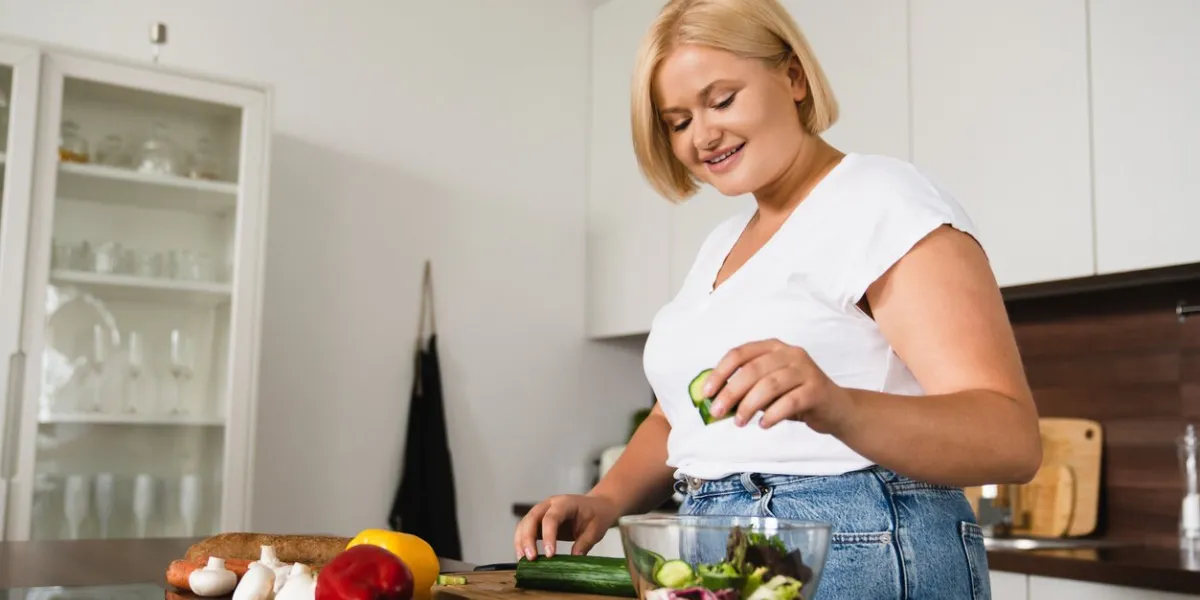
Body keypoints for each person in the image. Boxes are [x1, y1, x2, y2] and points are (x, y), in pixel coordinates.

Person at [515, 0, 1041, 597]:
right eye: (678, 122)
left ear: (793, 77)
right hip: (718, 546)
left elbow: (1010, 438)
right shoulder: (721, 245)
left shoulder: (884, 200)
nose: (702, 136)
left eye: (721, 100)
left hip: (857, 545)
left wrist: (838, 406)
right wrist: (605, 500)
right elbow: (676, 416)